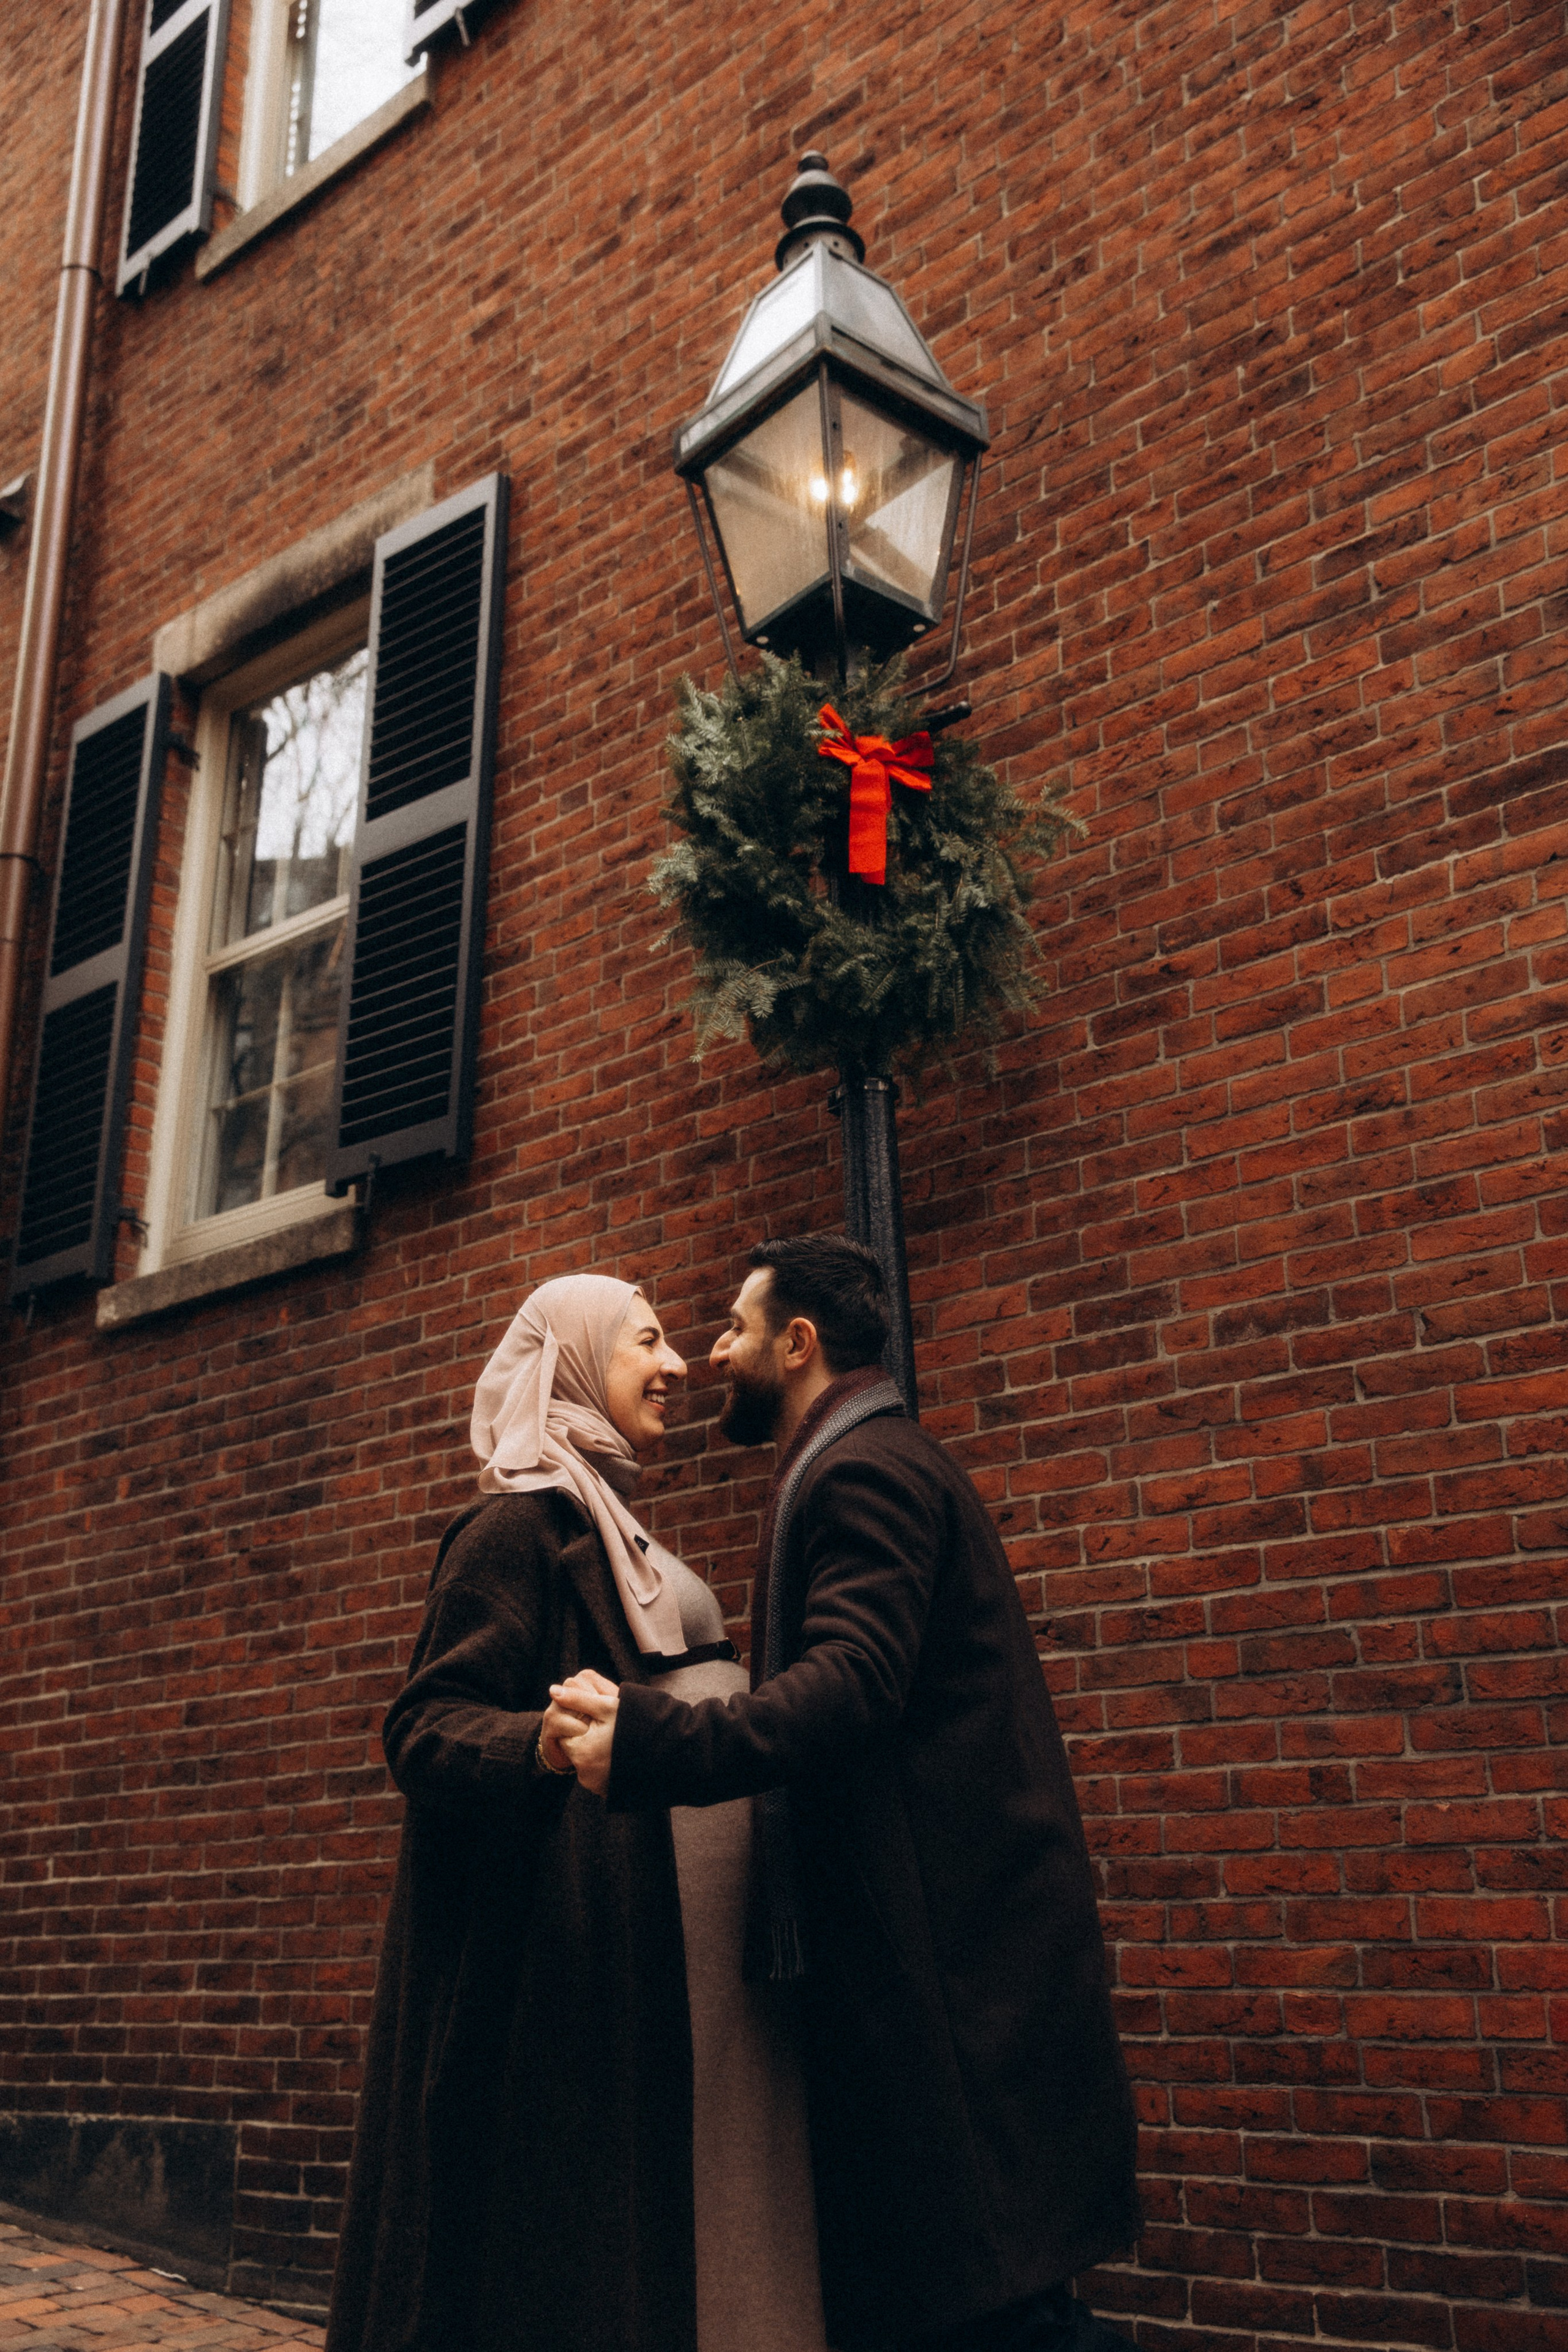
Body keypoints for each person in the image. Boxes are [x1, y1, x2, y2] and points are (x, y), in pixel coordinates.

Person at [552, 1235, 1143, 2352]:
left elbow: (850, 1683)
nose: (713, 1353)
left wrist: (656, 1741)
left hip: (955, 1975)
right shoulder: (868, 1456)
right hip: (948, 1963)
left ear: (798, 1342)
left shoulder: (862, 1470)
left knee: (998, 2319)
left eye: (734, 1328)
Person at [325, 1273, 828, 2352]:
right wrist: (539, 1744)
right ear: (577, 1364)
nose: (678, 1364)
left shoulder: (607, 1521)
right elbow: (424, 1726)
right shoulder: (513, 1527)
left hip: (675, 1959)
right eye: (646, 1342)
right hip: (578, 1958)